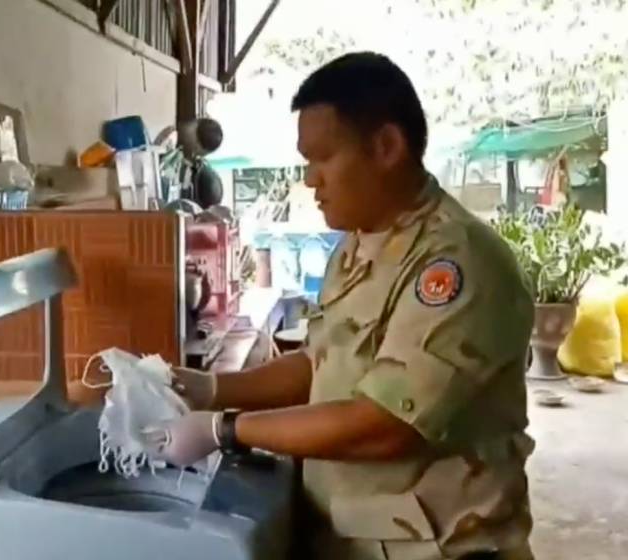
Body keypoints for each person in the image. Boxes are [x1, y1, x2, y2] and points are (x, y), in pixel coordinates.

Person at [148, 52, 536, 560]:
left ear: (387, 146)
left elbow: (387, 427)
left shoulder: (456, 264)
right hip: (349, 536)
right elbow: (321, 361)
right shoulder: (357, 245)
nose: (310, 179)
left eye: (322, 158)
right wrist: (212, 388)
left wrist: (225, 429)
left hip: (438, 549)